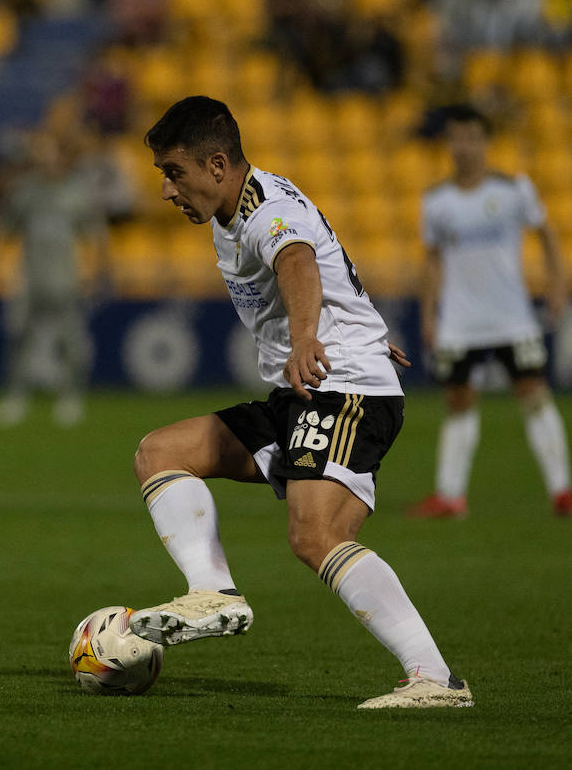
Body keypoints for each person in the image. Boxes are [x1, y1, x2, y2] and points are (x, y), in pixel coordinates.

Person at [131, 96, 472, 709]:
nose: (165, 190)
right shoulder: (228, 210)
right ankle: (213, 593)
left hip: (340, 385)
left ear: (216, 165)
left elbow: (297, 259)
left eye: (172, 172)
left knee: (315, 534)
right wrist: (358, 323)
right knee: (160, 452)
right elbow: (324, 255)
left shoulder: (266, 211)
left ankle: (436, 680)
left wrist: (312, 335)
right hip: (308, 388)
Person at [409, 104, 570, 519]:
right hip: (460, 323)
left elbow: (547, 235)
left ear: (485, 142)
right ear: (449, 144)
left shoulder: (513, 189)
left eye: (471, 138)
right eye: (456, 139)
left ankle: (562, 491)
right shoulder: (437, 200)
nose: (464, 147)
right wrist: (430, 313)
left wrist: (556, 285)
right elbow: (432, 261)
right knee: (459, 402)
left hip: (512, 317)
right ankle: (450, 496)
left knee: (534, 396)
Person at [0, 129, 112, 428]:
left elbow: (95, 233)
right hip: (28, 275)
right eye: (43, 156)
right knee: (19, 334)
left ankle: (71, 397)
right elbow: (2, 225)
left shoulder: (77, 192)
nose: (48, 162)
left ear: (63, 159)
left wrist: (101, 268)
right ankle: (15, 397)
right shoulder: (26, 191)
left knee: (69, 339)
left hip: (65, 275)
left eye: (53, 156)